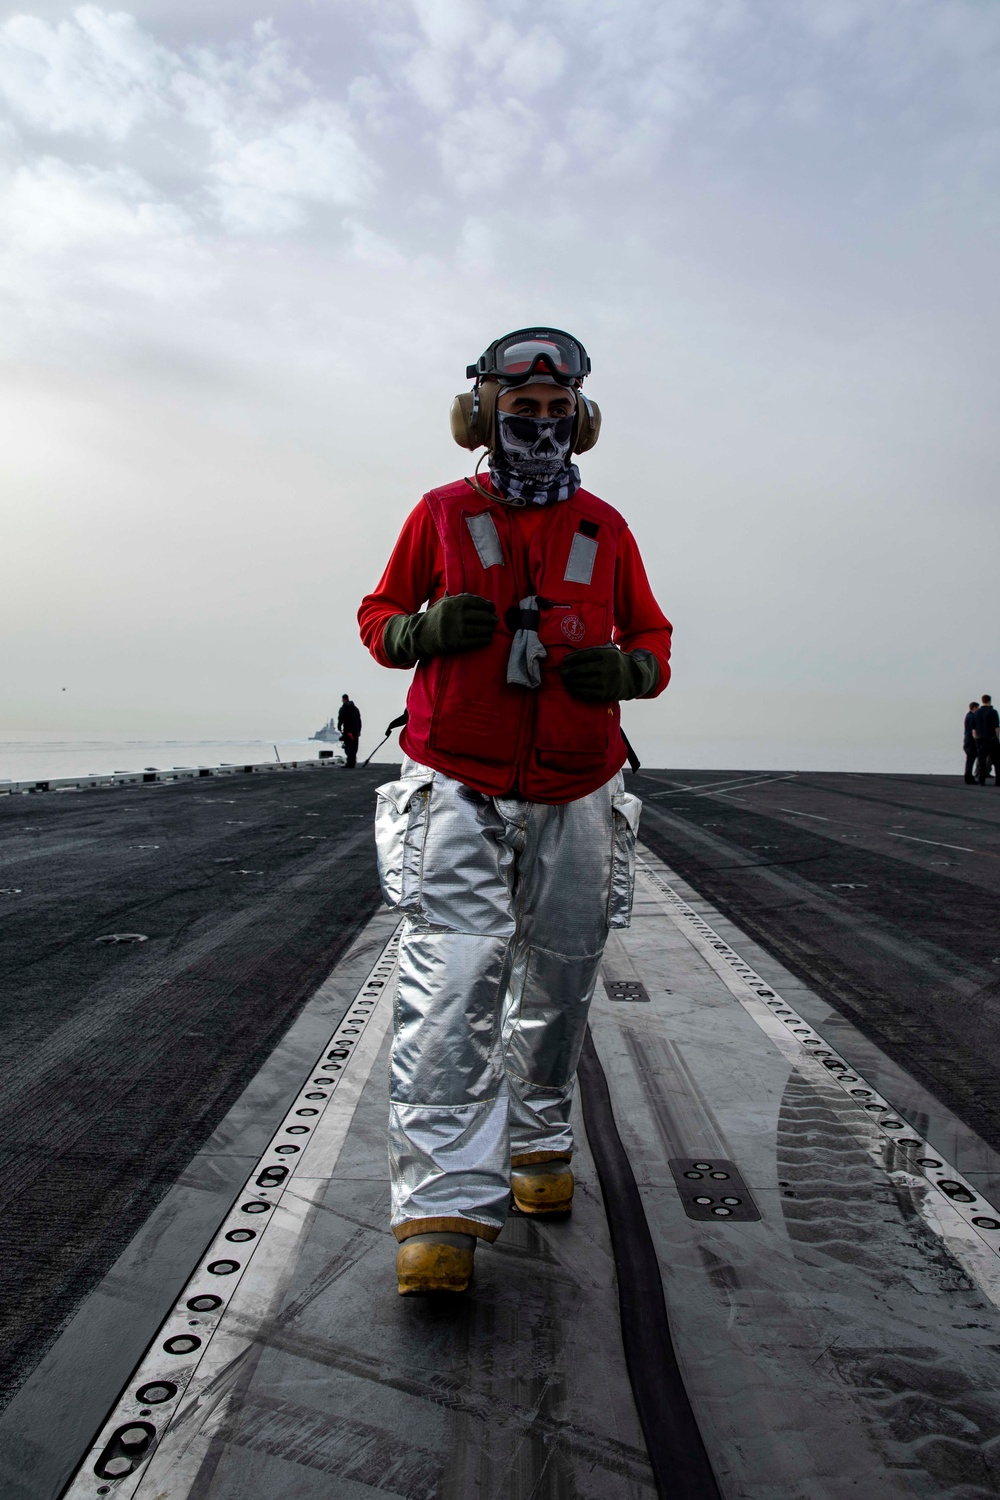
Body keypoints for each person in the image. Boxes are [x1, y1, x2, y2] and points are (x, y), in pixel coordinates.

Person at [358, 327, 672, 1295]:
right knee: (450, 986)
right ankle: (440, 1206)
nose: (537, 425)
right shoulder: (440, 513)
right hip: (456, 777)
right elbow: (377, 619)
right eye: (518, 408)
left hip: (577, 784)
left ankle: (537, 1146)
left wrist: (630, 669)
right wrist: (418, 630)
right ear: (481, 415)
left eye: (552, 411)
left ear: (577, 419)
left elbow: (652, 636)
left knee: (562, 977)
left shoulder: (605, 529)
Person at [975, 694, 1000, 786]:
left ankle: (981, 780)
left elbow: (974, 728)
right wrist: (997, 739)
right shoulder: (993, 712)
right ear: (989, 701)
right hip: (992, 739)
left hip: (980, 739)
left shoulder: (977, 713)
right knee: (997, 761)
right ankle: (998, 781)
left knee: (981, 761)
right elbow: (997, 728)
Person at [337, 694, 362, 768]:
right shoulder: (356, 709)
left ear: (344, 699)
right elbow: (359, 720)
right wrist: (359, 730)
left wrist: (339, 727)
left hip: (348, 731)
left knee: (348, 747)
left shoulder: (343, 708)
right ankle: (352, 763)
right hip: (355, 731)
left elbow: (340, 719)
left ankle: (350, 763)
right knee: (354, 747)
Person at [964, 701, 980, 784]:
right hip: (970, 742)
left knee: (970, 760)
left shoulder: (968, 716)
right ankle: (968, 777)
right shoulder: (971, 717)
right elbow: (972, 730)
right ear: (974, 707)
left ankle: (968, 776)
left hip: (967, 741)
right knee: (970, 760)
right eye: (977, 708)